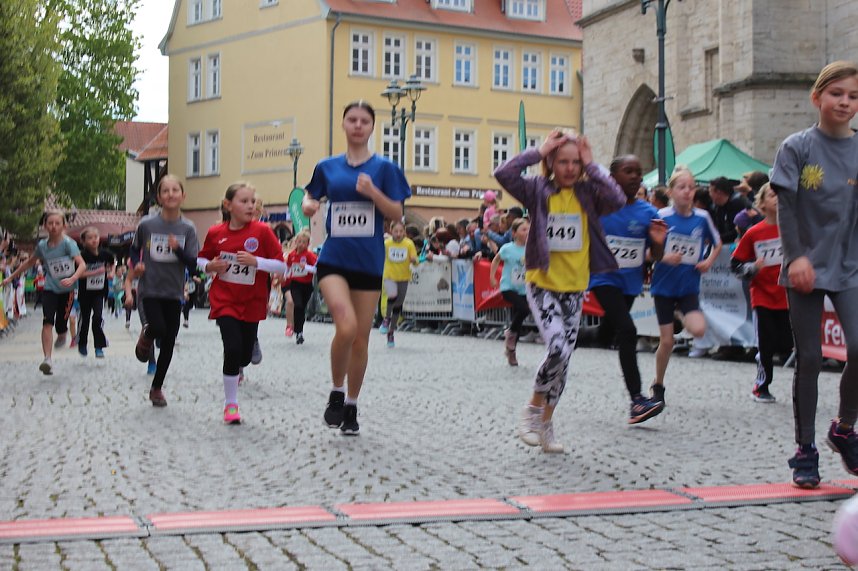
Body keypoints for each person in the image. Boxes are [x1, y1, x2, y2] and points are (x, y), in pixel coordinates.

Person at [494, 129, 625, 453]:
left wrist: (592, 163)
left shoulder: (588, 193)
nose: (569, 168)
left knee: (563, 361)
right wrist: (538, 152)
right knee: (556, 348)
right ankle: (532, 409)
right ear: (551, 163)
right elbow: (503, 173)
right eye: (562, 161)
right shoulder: (537, 189)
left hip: (575, 288)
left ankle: (547, 424)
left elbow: (618, 197)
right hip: (543, 284)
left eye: (575, 162)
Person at [769, 61, 858, 489]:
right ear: (817, 97)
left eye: (853, 96)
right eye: (837, 93)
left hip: (849, 264)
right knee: (808, 357)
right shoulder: (797, 146)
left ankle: (844, 429)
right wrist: (796, 257)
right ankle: (805, 449)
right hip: (804, 264)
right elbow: (785, 208)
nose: (845, 101)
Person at [302, 100, 411, 436]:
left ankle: (351, 405)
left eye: (365, 120)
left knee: (361, 340)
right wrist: (309, 204)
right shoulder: (328, 166)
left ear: (372, 127)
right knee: (345, 327)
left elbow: (396, 213)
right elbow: (310, 196)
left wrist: (372, 192)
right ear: (344, 124)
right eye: (352, 119)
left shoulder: (385, 169)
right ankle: (336, 391)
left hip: (368, 261)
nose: (358, 125)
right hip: (334, 258)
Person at [198, 181, 285, 424]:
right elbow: (201, 259)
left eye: (252, 201)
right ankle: (231, 405)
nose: (250, 206)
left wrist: (258, 262)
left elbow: (281, 265)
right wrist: (209, 266)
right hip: (224, 299)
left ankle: (249, 349)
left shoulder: (263, 232)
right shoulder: (216, 233)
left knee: (244, 357)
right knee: (232, 348)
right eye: (243, 201)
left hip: (252, 302)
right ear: (228, 205)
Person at [588, 155, 667, 424]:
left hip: (630, 283)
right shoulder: (599, 207)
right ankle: (637, 400)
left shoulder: (648, 213)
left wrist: (657, 243)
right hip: (603, 279)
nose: (635, 176)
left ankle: (564, 339)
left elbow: (656, 255)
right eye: (628, 171)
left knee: (605, 335)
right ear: (612, 177)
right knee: (627, 330)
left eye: (639, 172)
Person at [649, 166, 722, 404]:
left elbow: (718, 243)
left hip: (689, 285)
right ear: (671, 191)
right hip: (664, 287)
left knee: (699, 330)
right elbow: (648, 252)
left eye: (691, 187)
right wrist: (663, 257)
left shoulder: (702, 218)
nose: (687, 192)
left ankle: (681, 314)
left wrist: (708, 261)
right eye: (682, 187)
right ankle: (658, 384)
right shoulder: (662, 216)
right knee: (667, 342)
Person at [128, 174, 200, 407]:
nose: (170, 194)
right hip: (150, 288)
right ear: (159, 197)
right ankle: (147, 335)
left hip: (174, 291)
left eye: (175, 190)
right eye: (165, 191)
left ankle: (157, 387)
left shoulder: (188, 228)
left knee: (169, 341)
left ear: (183, 196)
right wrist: (135, 265)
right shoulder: (147, 224)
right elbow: (134, 249)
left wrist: (177, 249)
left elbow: (192, 263)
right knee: (158, 327)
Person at [2, 210, 86, 375]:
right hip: (50, 288)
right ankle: (47, 359)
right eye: (50, 223)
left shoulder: (69, 244)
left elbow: (81, 264)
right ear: (45, 225)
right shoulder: (42, 246)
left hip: (67, 290)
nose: (54, 227)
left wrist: (73, 278)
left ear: (64, 225)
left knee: (62, 324)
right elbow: (28, 263)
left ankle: (62, 334)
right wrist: (10, 277)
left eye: (57, 223)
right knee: (47, 322)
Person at [730, 183, 792, 403]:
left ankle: (801, 388)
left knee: (786, 345)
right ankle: (761, 386)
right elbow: (735, 265)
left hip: (789, 296)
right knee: (765, 345)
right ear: (762, 202)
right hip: (763, 295)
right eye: (773, 195)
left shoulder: (793, 228)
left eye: (780, 195)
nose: (777, 198)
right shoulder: (753, 233)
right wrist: (753, 268)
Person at [490, 217, 531, 366]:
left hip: (524, 288)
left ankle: (511, 352)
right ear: (514, 233)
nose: (527, 232)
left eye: (528, 229)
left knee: (518, 320)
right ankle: (509, 334)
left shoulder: (531, 248)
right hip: (508, 287)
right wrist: (492, 276)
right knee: (524, 309)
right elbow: (496, 260)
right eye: (523, 229)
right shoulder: (508, 248)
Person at [76, 227, 115, 358]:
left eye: (96, 237)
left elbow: (112, 262)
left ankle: (99, 346)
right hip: (85, 292)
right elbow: (78, 275)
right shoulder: (81, 256)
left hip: (100, 291)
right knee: (85, 319)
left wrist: (112, 272)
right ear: (83, 241)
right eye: (90, 238)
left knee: (97, 317)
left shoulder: (105, 254)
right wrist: (94, 272)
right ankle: (82, 343)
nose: (94, 240)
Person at [380, 220, 418, 348]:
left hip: (403, 277)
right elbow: (379, 256)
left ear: (404, 232)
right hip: (389, 276)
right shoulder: (387, 243)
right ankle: (386, 319)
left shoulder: (409, 244)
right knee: (392, 296)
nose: (398, 234)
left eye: (401, 231)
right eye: (396, 231)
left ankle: (391, 332)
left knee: (398, 304)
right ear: (391, 232)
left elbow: (415, 259)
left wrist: (414, 260)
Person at [285, 229, 317, 345]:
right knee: (297, 305)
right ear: (295, 242)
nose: (301, 244)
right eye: (299, 241)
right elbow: (288, 269)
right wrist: (284, 278)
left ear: (308, 244)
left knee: (301, 309)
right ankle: (296, 330)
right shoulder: (292, 255)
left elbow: (316, 269)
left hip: (307, 285)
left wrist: (306, 267)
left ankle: (300, 331)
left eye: (304, 242)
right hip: (295, 284)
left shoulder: (309, 255)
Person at [708, 176, 751, 245]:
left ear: (719, 192)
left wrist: (716, 238)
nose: (709, 195)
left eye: (710, 191)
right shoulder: (716, 207)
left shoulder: (737, 203)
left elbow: (737, 230)